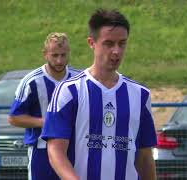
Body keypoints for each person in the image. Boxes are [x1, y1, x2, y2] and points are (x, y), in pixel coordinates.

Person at [42, 9, 157, 180]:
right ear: (91, 43)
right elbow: (55, 152)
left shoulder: (140, 95)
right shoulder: (69, 91)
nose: (116, 51)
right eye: (109, 44)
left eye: (122, 43)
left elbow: (145, 157)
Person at [8, 32, 81, 180]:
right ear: (45, 54)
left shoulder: (80, 79)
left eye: (63, 55)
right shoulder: (32, 81)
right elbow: (14, 118)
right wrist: (45, 122)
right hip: (41, 151)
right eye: (54, 55)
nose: (59, 60)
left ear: (69, 53)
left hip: (74, 149)